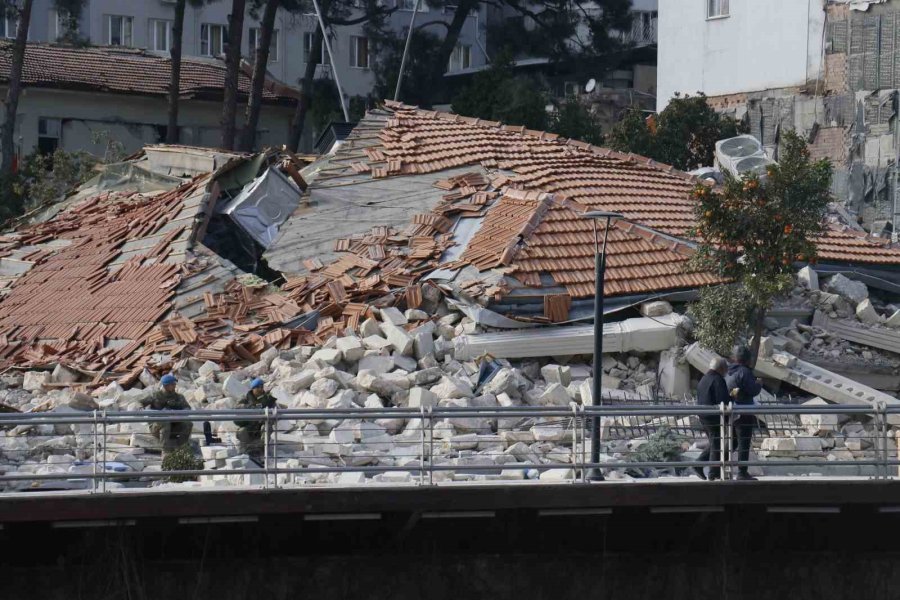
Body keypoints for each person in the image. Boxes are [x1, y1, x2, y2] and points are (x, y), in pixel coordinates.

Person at [726, 345, 763, 481]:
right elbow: (753, 390)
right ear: (747, 359)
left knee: (734, 442)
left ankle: (716, 465)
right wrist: (759, 384)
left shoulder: (729, 371)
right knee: (744, 442)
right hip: (744, 412)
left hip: (733, 411)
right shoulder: (744, 372)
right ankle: (742, 472)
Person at [694, 357, 730, 481]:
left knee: (715, 442)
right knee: (717, 444)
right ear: (721, 369)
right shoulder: (718, 379)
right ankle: (713, 473)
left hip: (703, 416)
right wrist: (733, 397)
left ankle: (699, 464)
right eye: (726, 369)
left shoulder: (704, 379)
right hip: (713, 417)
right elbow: (723, 400)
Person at [141, 374, 193, 454]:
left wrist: (178, 414)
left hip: (174, 427)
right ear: (166, 385)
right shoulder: (156, 396)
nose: (175, 386)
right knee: (165, 421)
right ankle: (166, 451)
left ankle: (182, 448)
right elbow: (140, 403)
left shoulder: (179, 397)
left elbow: (188, 408)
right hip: (157, 427)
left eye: (174, 384)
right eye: (172, 384)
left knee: (188, 424)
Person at [235, 378, 276, 460]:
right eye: (258, 387)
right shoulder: (245, 399)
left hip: (260, 427)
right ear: (253, 388)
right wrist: (251, 408)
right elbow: (237, 410)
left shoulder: (266, 399)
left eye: (262, 387)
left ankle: (262, 451)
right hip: (248, 427)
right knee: (241, 431)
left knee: (267, 428)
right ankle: (246, 451)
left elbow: (274, 412)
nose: (261, 389)